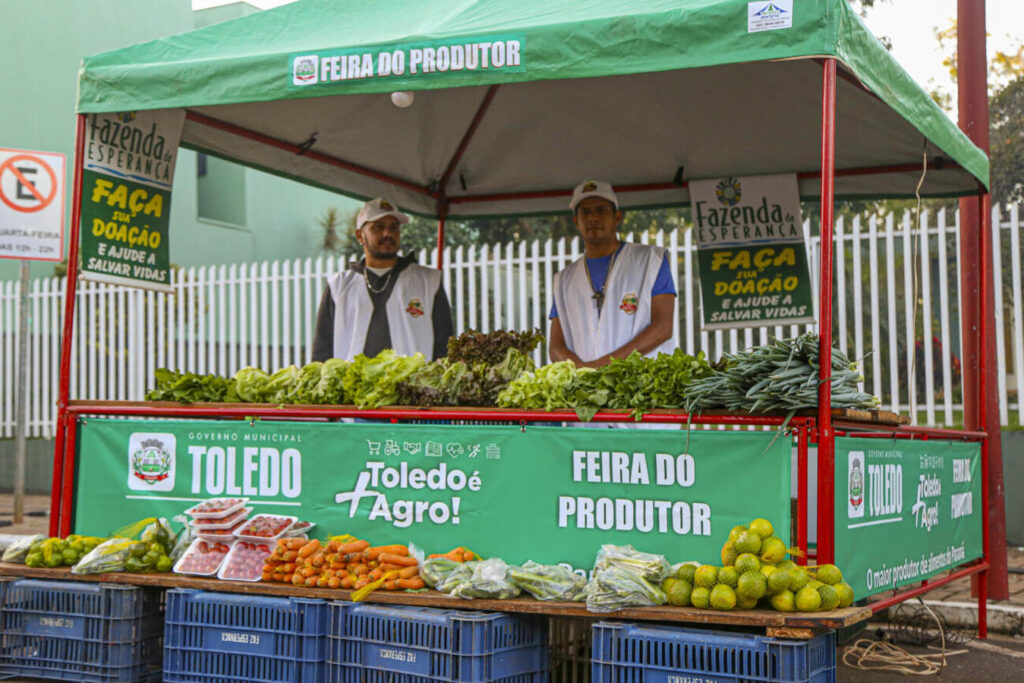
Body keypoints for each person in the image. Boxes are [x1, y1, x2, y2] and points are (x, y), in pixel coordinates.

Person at [549, 179, 676, 367]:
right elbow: (556, 347)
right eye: (585, 212)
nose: (593, 218)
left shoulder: (651, 260)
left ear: (617, 217)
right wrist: (583, 372)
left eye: (601, 210)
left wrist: (603, 365)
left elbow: (663, 327)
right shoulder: (564, 280)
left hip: (643, 387)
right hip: (586, 391)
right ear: (576, 221)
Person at [312, 197, 454, 362]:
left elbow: (444, 344)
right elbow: (323, 348)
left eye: (393, 227)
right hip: (353, 387)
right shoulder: (339, 286)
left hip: (414, 387)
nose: (388, 233)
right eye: (378, 227)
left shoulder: (429, 281)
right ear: (360, 236)